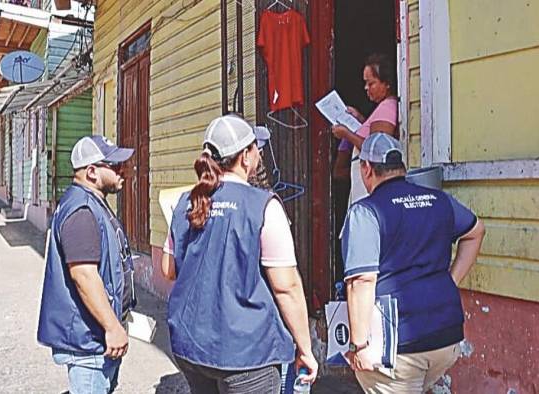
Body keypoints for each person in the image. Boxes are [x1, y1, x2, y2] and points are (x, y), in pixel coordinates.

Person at [161, 114, 318, 394]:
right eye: (256, 147)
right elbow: (286, 287)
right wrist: (305, 348)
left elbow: (168, 270)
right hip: (245, 355)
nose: (259, 153)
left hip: (190, 346)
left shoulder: (187, 202)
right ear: (246, 157)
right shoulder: (263, 206)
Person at [340, 133, 485, 393]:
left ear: (366, 168)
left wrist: (359, 345)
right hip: (446, 337)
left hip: (398, 345)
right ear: (402, 167)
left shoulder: (366, 212)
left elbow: (362, 280)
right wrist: (450, 281)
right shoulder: (438, 200)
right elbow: (476, 231)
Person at [37, 135, 136, 394]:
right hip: (89, 344)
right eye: (114, 165)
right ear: (92, 172)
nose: (122, 169)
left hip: (96, 338)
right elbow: (83, 275)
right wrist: (112, 327)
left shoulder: (91, 203)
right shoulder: (81, 210)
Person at [332, 54, 398, 203]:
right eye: (365, 83)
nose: (366, 88)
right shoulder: (383, 107)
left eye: (371, 83)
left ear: (386, 83)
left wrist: (346, 134)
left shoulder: (388, 107)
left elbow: (376, 149)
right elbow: (373, 134)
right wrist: (361, 119)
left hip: (369, 184)